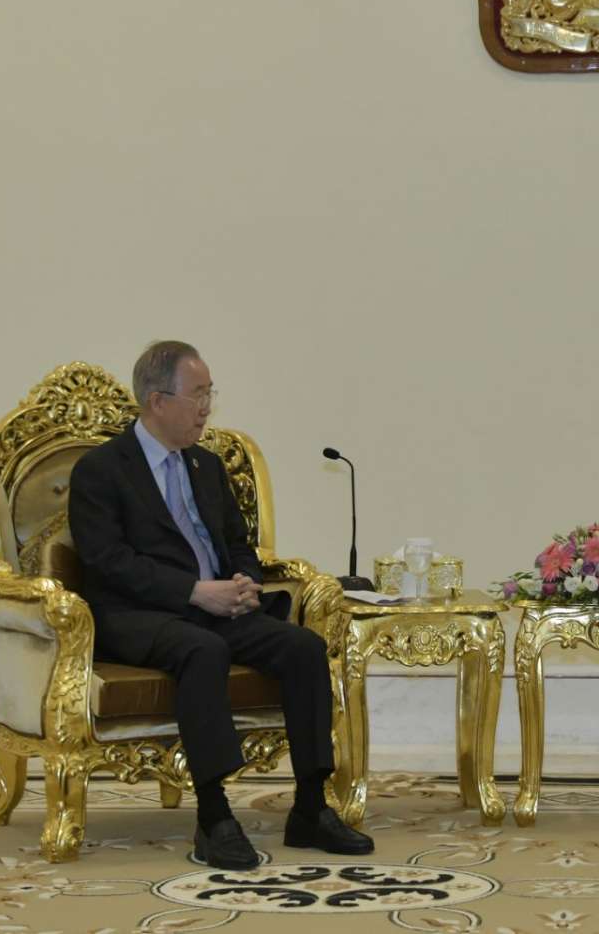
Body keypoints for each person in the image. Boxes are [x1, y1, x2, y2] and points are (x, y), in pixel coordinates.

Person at [68, 340, 373, 869]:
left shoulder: (206, 465)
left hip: (217, 607)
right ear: (157, 401)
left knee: (303, 647)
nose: (207, 407)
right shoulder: (101, 470)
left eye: (211, 393)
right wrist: (192, 590)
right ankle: (214, 818)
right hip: (142, 615)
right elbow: (107, 561)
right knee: (202, 650)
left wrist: (244, 582)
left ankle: (310, 807)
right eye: (199, 395)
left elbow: (237, 542)